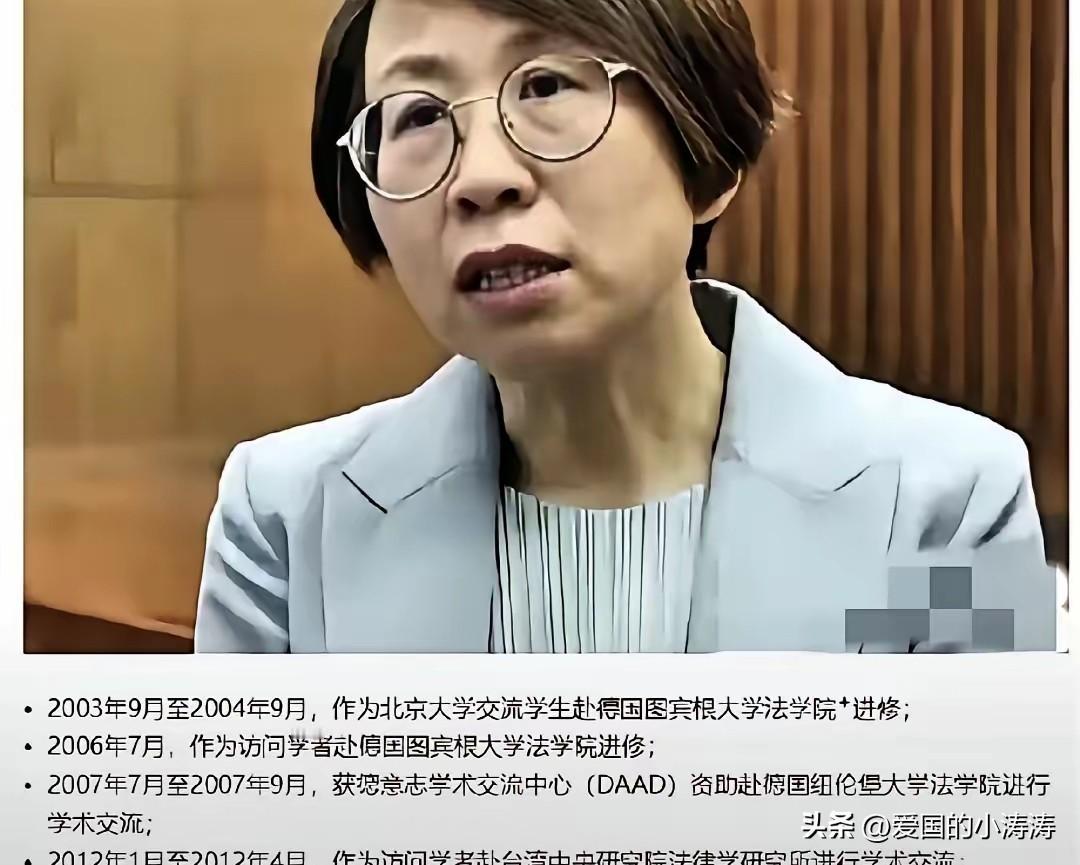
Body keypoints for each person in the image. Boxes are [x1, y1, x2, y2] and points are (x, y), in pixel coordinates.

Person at [193, 0, 1049, 653]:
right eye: (418, 115)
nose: (481, 177)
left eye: (546, 85)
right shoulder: (284, 524)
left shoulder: (951, 509)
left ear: (704, 154)